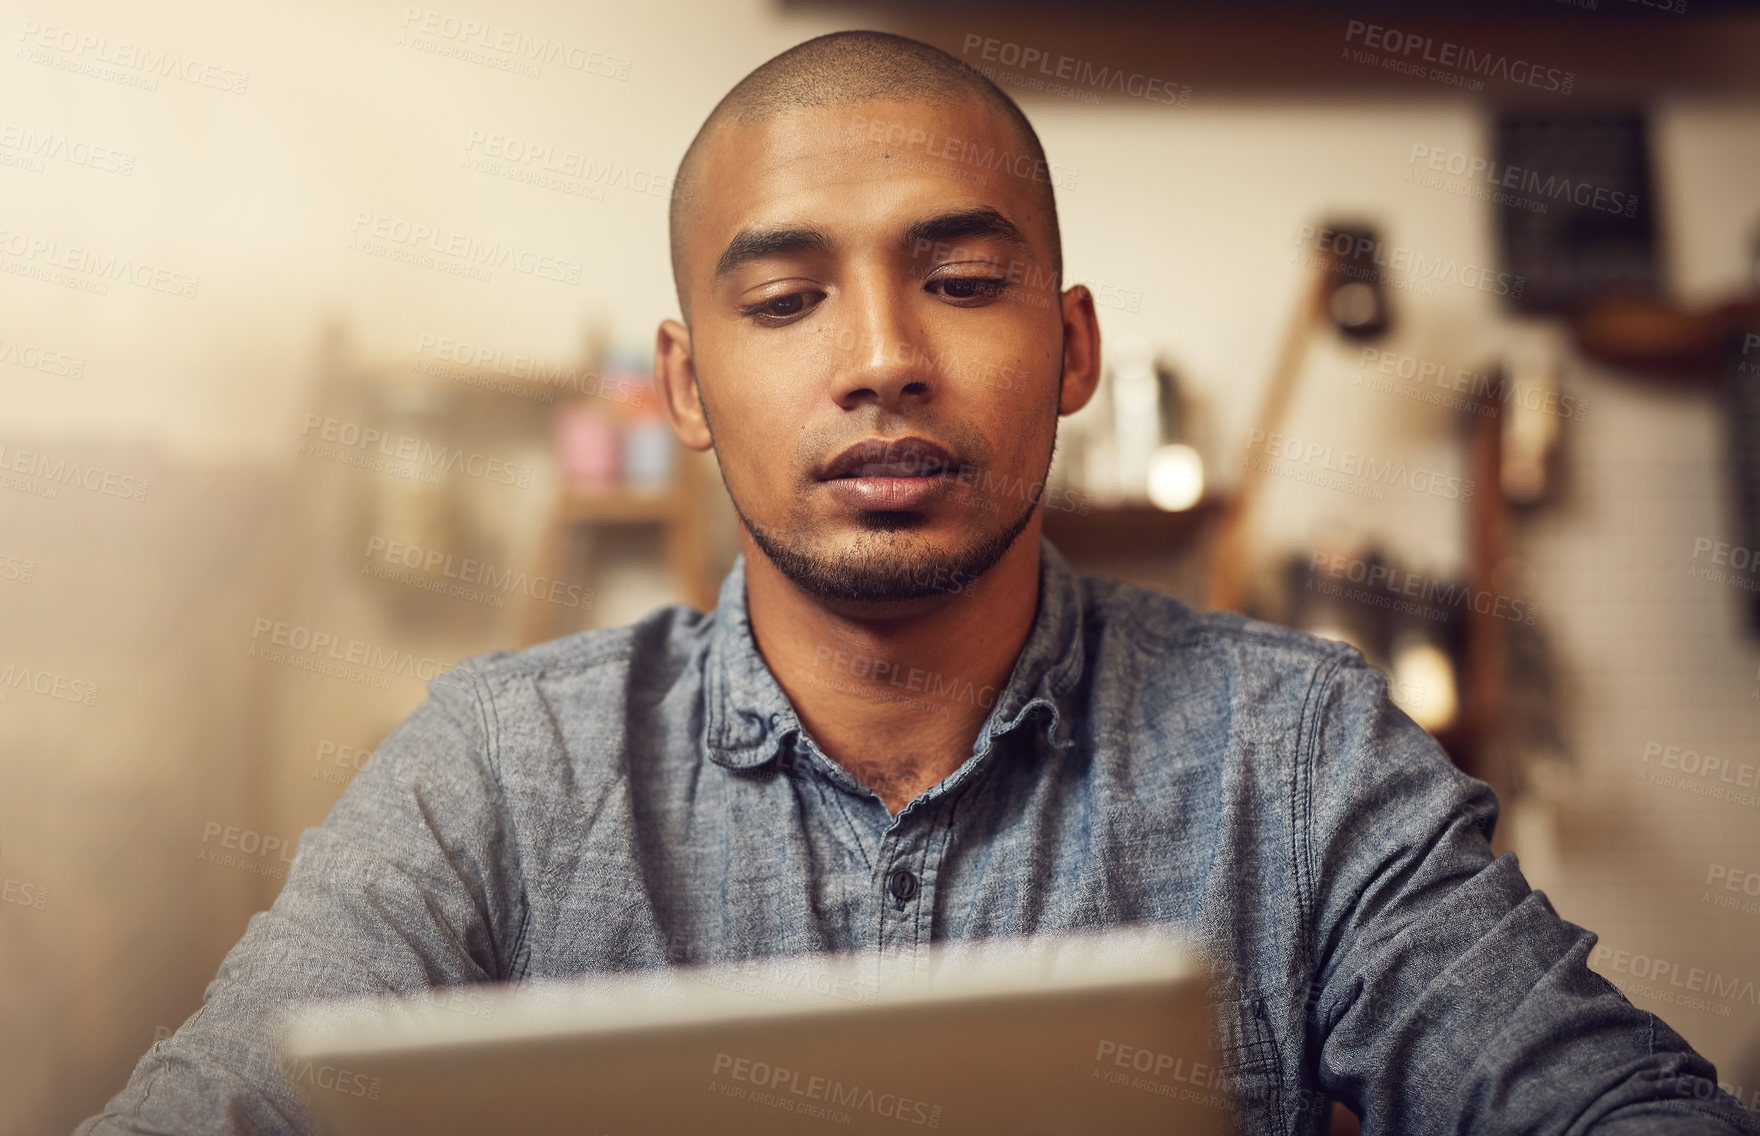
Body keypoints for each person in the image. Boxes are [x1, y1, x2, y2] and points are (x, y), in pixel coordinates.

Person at [79, 30, 1757, 1135]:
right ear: (681, 386)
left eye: (958, 279)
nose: (883, 360)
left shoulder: (1301, 756)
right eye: (787, 301)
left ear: (1073, 345)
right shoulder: (496, 774)